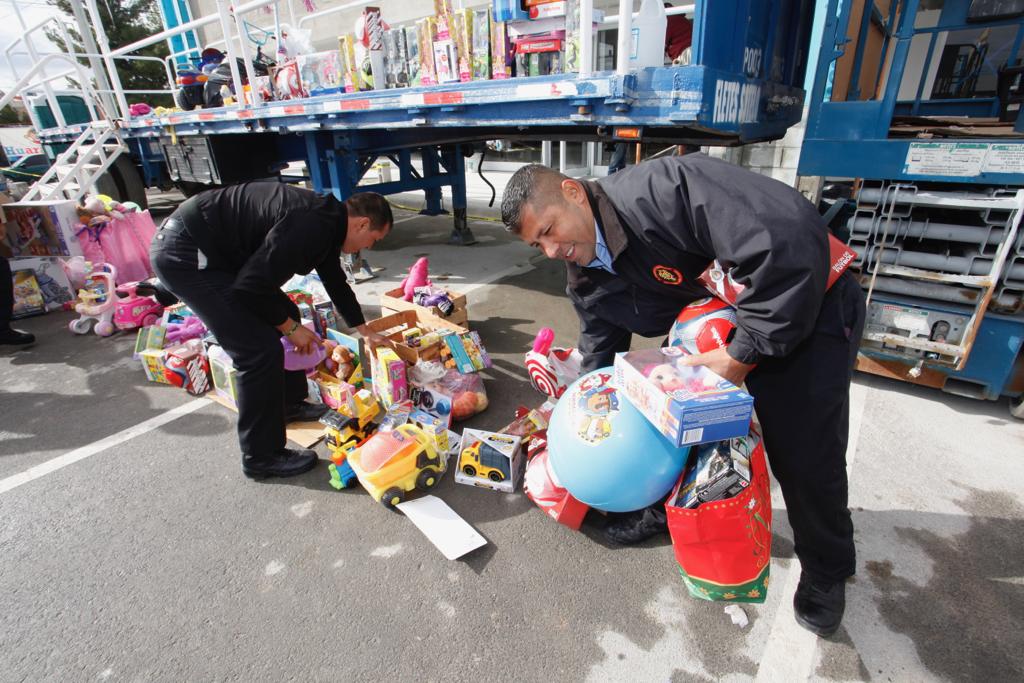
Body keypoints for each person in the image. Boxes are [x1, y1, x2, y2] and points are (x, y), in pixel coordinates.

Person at [500, 156, 865, 638]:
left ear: (572, 192)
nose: (550, 250)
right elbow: (601, 350)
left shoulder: (663, 191)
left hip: (806, 296)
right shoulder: (586, 270)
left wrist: (742, 354)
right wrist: (588, 420)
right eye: (537, 244)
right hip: (726, 319)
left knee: (803, 452)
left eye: (549, 230)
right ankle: (662, 507)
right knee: (661, 411)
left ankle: (826, 567)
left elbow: (787, 240)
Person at [150, 181, 392, 480]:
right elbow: (251, 287)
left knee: (286, 312)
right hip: (188, 253)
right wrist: (290, 329)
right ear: (362, 224)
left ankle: (289, 404)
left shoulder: (329, 224)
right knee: (258, 351)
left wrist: (365, 330)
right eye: (373, 239)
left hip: (215, 251)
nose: (369, 247)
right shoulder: (310, 225)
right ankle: (261, 457)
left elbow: (335, 281)